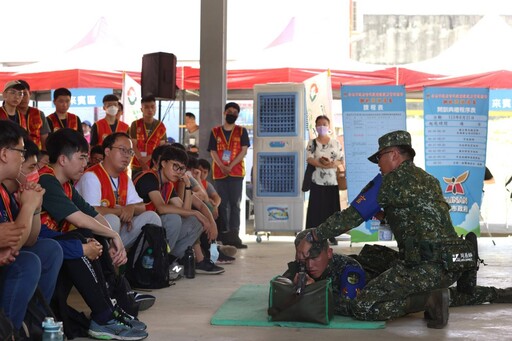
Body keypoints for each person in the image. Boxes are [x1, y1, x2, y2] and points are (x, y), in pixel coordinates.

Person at [297, 130, 512, 329]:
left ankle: (428, 300)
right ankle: (495, 294)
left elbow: (351, 216)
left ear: (393, 155)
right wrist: (386, 215)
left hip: (423, 267)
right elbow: (419, 220)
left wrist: (315, 234)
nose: (378, 165)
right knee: (371, 257)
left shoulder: (388, 182)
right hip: (449, 264)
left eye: (379, 158)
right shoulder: (428, 180)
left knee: (362, 306)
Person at [39, 128, 148, 340]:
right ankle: (104, 316)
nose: (85, 164)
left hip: (54, 251)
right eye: (81, 158)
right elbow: (79, 218)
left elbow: (92, 213)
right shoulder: (46, 181)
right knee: (80, 238)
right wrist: (115, 237)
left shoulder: (66, 185)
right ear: (62, 159)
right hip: (42, 252)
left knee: (91, 235)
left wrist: (109, 237)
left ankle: (109, 306)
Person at [0, 120, 63, 337]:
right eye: (21, 151)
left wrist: (35, 207)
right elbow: (14, 242)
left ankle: (32, 320)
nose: (22, 157)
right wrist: (28, 205)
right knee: (27, 262)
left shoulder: (4, 191)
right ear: (4, 154)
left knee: (49, 250)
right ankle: (9, 331)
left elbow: (29, 240)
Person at [134, 146, 223, 274]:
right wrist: (196, 212)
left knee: (195, 222)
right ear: (163, 163)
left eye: (182, 168)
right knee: (174, 218)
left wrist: (186, 186)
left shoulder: (168, 185)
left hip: (153, 229)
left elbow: (184, 211)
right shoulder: (149, 177)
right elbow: (161, 207)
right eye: (175, 166)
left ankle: (167, 261)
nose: (179, 172)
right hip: (137, 228)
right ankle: (155, 263)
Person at [76, 132, 162, 248]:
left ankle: (133, 263)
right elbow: (93, 211)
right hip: (90, 235)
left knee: (152, 217)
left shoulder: (124, 178)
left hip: (117, 232)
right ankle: (108, 264)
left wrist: (131, 208)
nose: (127, 156)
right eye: (122, 150)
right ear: (107, 151)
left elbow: (142, 207)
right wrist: (122, 212)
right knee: (112, 220)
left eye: (130, 152)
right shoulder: (92, 176)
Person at [282, 235, 364, 315]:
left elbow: (352, 306)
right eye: (304, 259)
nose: (309, 265)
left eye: (314, 258)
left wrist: (314, 291)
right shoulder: (301, 264)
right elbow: (279, 292)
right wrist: (291, 287)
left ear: (329, 253)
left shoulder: (350, 268)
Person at [207, 102, 250, 249]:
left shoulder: (241, 131)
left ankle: (234, 235)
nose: (232, 114)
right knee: (222, 204)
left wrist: (230, 166)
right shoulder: (215, 132)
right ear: (225, 113)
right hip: (219, 173)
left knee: (235, 205)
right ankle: (223, 234)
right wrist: (221, 166)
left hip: (236, 173)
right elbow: (212, 151)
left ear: (237, 115)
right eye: (229, 111)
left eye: (235, 112)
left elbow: (244, 151)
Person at [304, 115, 344, 246]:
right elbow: (309, 159)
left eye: (324, 124)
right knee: (316, 209)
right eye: (319, 124)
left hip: (332, 182)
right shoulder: (312, 143)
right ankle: (314, 235)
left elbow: (340, 159)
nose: (322, 126)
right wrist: (322, 164)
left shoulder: (335, 143)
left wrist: (331, 163)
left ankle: (331, 235)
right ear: (316, 127)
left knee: (331, 210)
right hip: (317, 181)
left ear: (329, 126)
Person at [129, 95, 167, 177]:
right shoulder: (135, 124)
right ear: (141, 109)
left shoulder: (161, 126)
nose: (150, 109)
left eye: (152, 107)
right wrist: (142, 161)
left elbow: (162, 147)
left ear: (156, 108)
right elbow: (133, 145)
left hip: (154, 164)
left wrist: (148, 158)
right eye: (146, 107)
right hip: (137, 164)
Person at [17, 80, 51, 150]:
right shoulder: (9, 113)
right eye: (19, 94)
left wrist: (44, 154)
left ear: (30, 93)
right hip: (16, 154)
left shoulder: (39, 114)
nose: (22, 98)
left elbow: (44, 139)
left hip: (37, 155)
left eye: (25, 94)